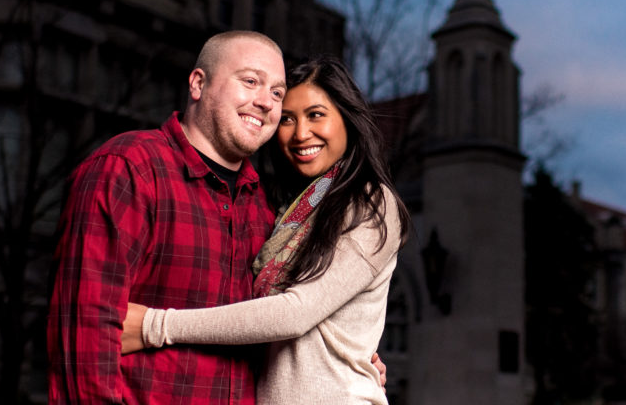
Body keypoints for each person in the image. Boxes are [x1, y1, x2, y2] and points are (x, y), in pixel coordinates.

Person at [121, 55, 409, 405]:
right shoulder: (296, 210)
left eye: (316, 115)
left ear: (348, 120)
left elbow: (295, 313)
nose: (301, 133)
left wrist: (155, 327)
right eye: (287, 119)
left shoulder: (372, 202)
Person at [46, 30, 287, 403]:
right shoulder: (129, 169)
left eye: (277, 93)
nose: (265, 102)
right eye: (251, 81)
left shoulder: (265, 208)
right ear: (198, 84)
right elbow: (85, 333)